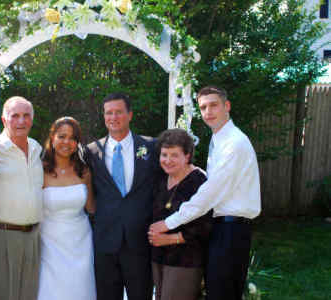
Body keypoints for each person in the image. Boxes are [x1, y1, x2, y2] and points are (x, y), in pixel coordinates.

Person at [150, 86, 261, 300]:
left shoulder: (234, 144)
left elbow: (208, 194)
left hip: (232, 230)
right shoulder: (219, 140)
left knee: (223, 293)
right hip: (223, 228)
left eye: (213, 105)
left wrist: (168, 224)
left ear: (226, 106)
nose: (208, 111)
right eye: (203, 107)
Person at [86, 93, 156, 300]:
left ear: (130, 115)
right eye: (109, 113)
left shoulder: (152, 147)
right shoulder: (91, 151)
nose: (113, 117)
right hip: (105, 241)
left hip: (139, 241)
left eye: (118, 112)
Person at [0, 96, 43, 300]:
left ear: (32, 119)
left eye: (26, 115)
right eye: (15, 116)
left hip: (34, 236)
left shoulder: (36, 148)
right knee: (2, 295)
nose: (21, 121)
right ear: (4, 120)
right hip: (3, 236)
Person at [148, 129, 212, 300]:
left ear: (187, 156)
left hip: (185, 261)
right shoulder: (161, 179)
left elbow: (205, 226)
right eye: (164, 155)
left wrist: (170, 239)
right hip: (159, 258)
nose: (168, 161)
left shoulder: (199, 181)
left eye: (174, 155)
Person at [37, 116, 96, 300]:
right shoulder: (39, 170)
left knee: (80, 289)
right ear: (52, 138)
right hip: (49, 242)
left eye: (72, 138)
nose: (67, 142)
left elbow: (92, 207)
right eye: (62, 136)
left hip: (81, 241)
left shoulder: (84, 171)